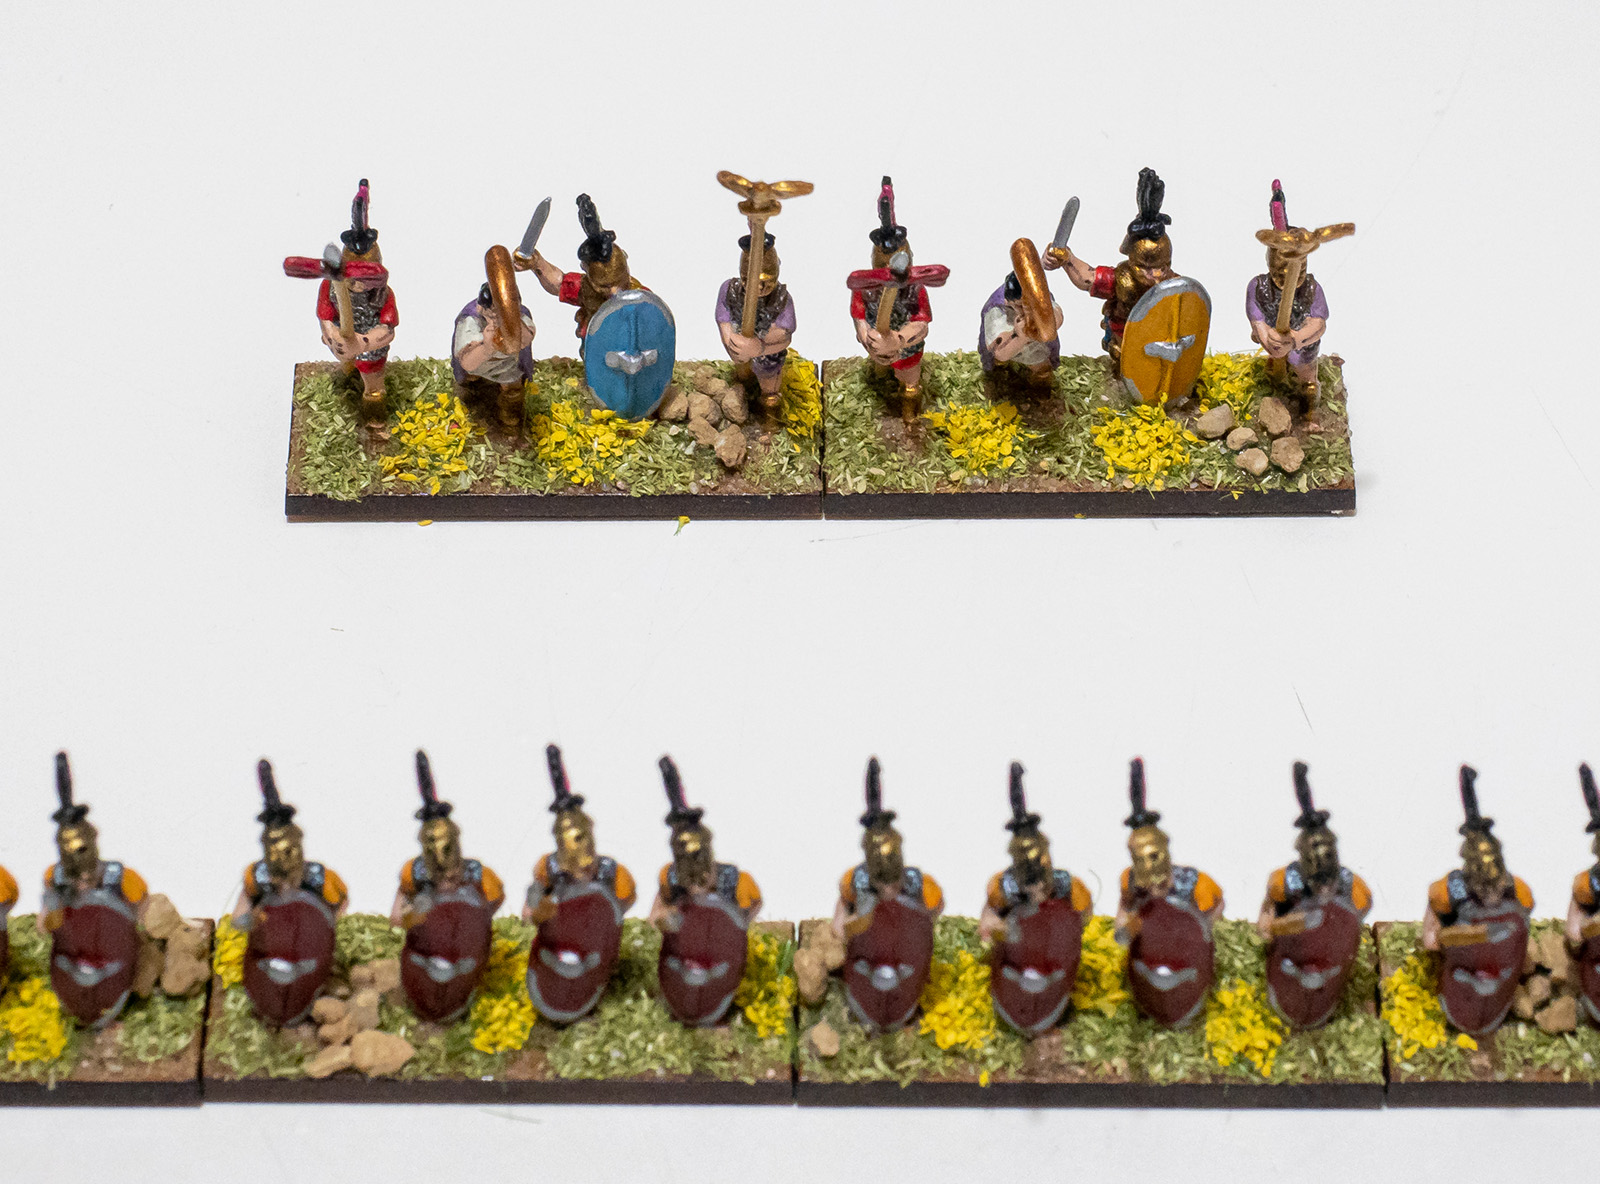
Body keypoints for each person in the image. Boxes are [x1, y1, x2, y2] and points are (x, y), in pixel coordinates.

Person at [391, 752, 503, 1023]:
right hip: (428, 954)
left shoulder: (480, 876)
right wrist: (415, 917)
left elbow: (491, 907)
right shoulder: (414, 873)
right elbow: (397, 918)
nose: (442, 863)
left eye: (447, 849)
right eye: (432, 852)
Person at [1044, 167, 1176, 376]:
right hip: (1123, 340)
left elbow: (1187, 311)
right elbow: (1087, 278)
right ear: (1133, 262)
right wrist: (1067, 258)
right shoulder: (1120, 279)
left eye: (1162, 267)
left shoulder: (1174, 285)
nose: (1156, 275)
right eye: (1146, 268)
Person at [716, 232, 795, 416]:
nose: (758, 288)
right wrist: (730, 341)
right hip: (739, 352)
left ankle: (771, 420)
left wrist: (759, 348)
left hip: (768, 356)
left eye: (766, 282)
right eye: (750, 281)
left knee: (770, 389)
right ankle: (746, 399)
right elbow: (723, 317)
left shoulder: (782, 300)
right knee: (744, 377)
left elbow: (785, 336)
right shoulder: (730, 290)